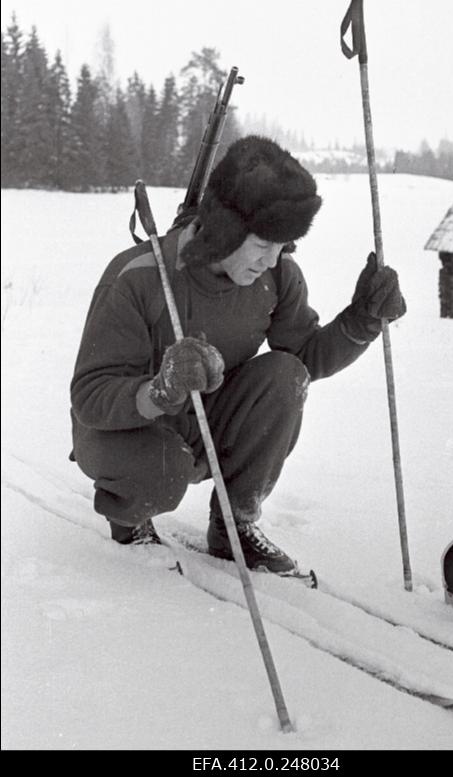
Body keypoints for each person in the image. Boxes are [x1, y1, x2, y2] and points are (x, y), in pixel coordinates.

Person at [70, 135, 406, 574]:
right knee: (162, 471)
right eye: (263, 243)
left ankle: (234, 526)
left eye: (282, 246)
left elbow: (304, 356)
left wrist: (362, 320)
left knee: (285, 375)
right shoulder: (139, 277)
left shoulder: (277, 274)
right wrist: (161, 388)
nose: (272, 259)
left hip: (201, 418)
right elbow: (90, 397)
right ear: (225, 229)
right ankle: (128, 516)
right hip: (122, 428)